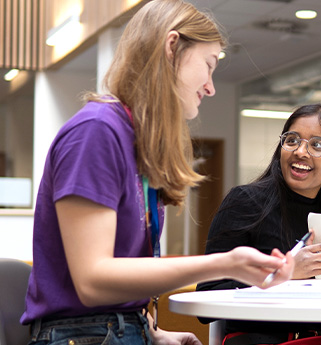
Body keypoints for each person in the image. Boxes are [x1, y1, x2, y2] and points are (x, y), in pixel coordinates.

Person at [20, 1, 294, 344]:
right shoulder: (96, 131)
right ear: (171, 47)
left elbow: (120, 278)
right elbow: (92, 280)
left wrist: (155, 333)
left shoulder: (135, 143)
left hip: (120, 329)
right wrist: (224, 264)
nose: (210, 87)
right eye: (208, 66)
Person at [197, 103, 321, 345]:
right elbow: (206, 299)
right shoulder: (245, 202)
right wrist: (286, 273)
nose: (301, 152)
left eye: (317, 145)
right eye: (292, 140)